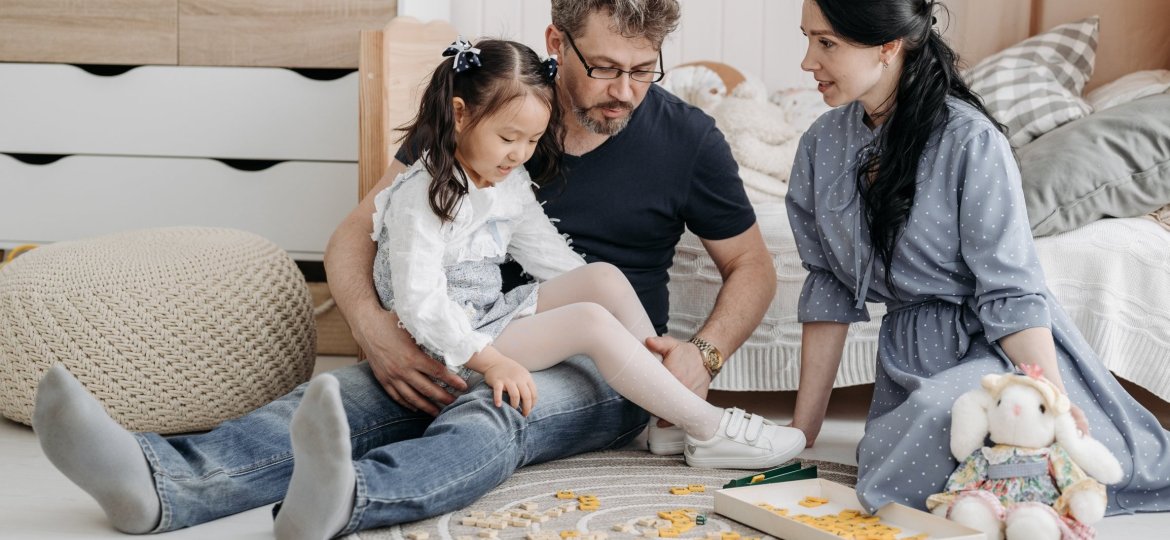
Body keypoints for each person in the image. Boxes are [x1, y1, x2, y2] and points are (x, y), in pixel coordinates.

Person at [31, 1, 786, 538]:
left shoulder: (687, 138)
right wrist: (374, 328)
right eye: (606, 68)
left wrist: (701, 352)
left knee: (495, 411)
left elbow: (750, 264)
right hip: (459, 330)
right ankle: (160, 483)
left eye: (645, 71)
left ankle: (353, 497)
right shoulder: (485, 111)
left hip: (608, 365)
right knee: (336, 395)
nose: (625, 91)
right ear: (557, 42)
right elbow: (359, 231)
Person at [786, 0, 1170, 517]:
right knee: (895, 457)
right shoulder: (821, 144)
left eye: (826, 42)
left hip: (996, 350)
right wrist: (801, 432)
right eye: (807, 39)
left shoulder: (969, 139)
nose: (808, 61)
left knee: (939, 437)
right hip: (909, 356)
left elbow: (1011, 292)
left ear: (888, 45)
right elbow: (829, 285)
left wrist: (1052, 401)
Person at [367, 36, 801, 470]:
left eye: (533, 141)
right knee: (588, 322)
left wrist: (600, 301)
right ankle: (708, 427)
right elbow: (420, 302)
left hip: (486, 316)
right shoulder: (420, 195)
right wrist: (493, 361)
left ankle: (669, 414)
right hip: (447, 343)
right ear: (460, 115)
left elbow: (551, 258)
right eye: (508, 138)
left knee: (603, 279)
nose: (519, 154)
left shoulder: (507, 179)